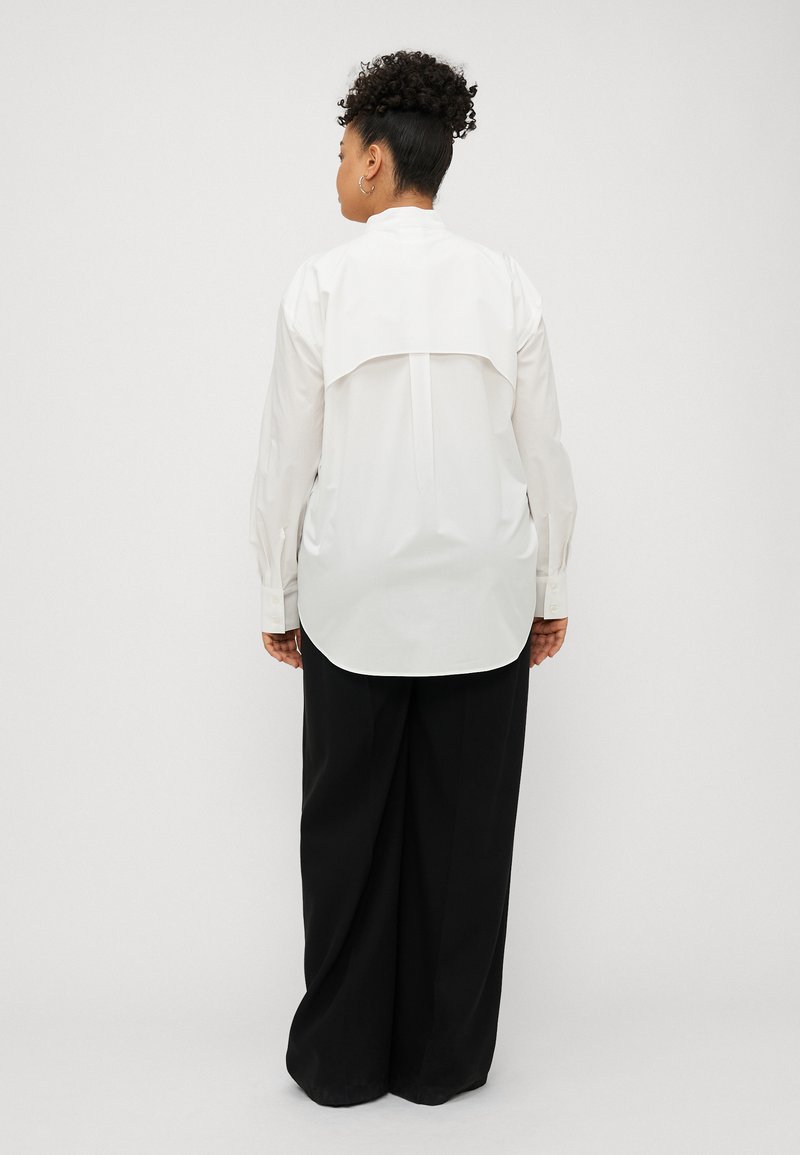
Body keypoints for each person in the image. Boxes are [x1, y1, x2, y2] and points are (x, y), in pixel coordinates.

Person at [248, 49, 578, 1107]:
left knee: (345, 831)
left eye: (343, 151)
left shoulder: (320, 285)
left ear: (377, 161)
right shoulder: (506, 284)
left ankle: (342, 1063)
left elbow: (285, 457)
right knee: (466, 837)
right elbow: (546, 453)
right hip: (486, 598)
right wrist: (549, 589)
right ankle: (444, 1061)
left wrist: (277, 595)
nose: (338, 170)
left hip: (352, 597)